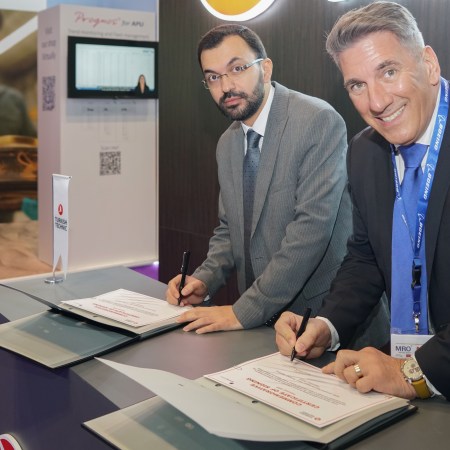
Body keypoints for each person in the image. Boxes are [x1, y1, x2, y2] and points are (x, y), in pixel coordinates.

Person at [166, 23, 390, 343]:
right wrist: (204, 280)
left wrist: (243, 311)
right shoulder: (227, 143)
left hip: (328, 321)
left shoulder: (316, 120)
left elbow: (310, 230)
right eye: (213, 77)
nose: (226, 86)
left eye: (237, 69)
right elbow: (230, 229)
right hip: (264, 326)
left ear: (266, 68)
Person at [275, 1, 450, 401]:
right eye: (357, 85)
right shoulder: (364, 151)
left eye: (388, 72)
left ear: (429, 64)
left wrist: (413, 373)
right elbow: (366, 257)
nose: (376, 102)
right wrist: (327, 325)